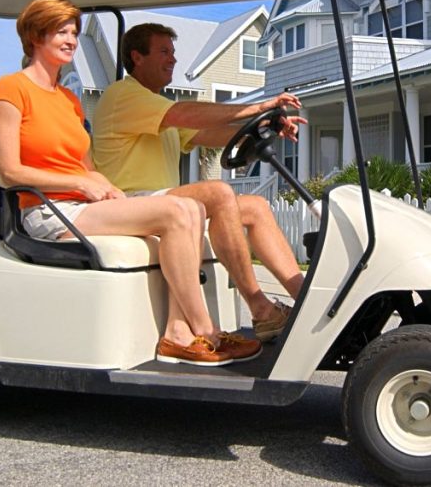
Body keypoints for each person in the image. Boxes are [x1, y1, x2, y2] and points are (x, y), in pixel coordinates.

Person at [0, 0, 260, 366]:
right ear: (36, 36)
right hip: (45, 210)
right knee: (178, 211)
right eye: (61, 32)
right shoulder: (11, 89)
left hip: (80, 206)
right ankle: (207, 331)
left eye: (73, 32)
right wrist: (81, 185)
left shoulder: (68, 100)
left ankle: (177, 333)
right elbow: (9, 171)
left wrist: (106, 187)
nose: (71, 40)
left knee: (192, 207)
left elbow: (87, 166)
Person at [92, 23, 306, 342]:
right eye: (164, 51)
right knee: (218, 193)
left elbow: (205, 134)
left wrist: (266, 126)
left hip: (161, 201)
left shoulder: (155, 106)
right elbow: (187, 115)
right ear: (137, 57)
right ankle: (261, 308)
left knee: (256, 207)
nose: (173, 59)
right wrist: (258, 107)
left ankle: (306, 300)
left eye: (173, 52)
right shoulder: (123, 96)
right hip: (129, 203)